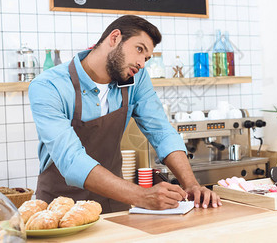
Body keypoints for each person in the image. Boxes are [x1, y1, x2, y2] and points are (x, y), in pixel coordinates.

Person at [29, 15, 222, 213]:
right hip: (60, 207)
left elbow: (161, 131)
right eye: (139, 49)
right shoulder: (48, 86)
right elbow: (71, 159)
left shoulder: (136, 79)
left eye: (146, 58)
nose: (142, 63)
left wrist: (191, 185)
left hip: (113, 201)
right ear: (114, 38)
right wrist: (142, 196)